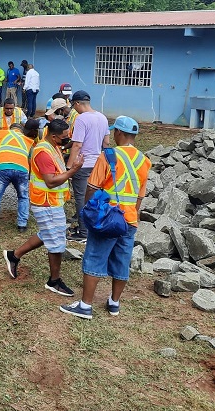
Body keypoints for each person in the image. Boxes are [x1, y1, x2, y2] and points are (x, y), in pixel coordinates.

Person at [60, 116, 152, 320]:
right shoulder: (144, 161)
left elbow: (91, 188)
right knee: (121, 260)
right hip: (129, 220)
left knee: (94, 257)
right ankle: (114, 303)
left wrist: (87, 212)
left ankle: (85, 306)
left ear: (119, 132)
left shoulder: (108, 155)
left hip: (107, 218)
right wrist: (132, 216)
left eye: (114, 132)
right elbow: (139, 196)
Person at [2, 119, 84, 296]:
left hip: (52, 202)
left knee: (48, 233)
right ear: (54, 137)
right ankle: (54, 281)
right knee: (56, 243)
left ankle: (14, 255)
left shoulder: (52, 146)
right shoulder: (43, 152)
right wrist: (74, 170)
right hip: (45, 202)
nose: (66, 140)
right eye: (64, 138)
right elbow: (51, 181)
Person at [67, 90, 110, 241]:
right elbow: (106, 143)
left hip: (83, 164)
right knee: (95, 197)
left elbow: (77, 145)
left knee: (81, 198)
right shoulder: (102, 117)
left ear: (77, 103)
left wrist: (69, 167)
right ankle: (94, 226)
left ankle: (83, 233)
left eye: (74, 105)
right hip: (99, 163)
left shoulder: (81, 119)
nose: (74, 108)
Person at [0, 98, 27, 179]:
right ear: (3, 107)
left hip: (14, 141)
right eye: (7, 108)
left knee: (14, 160)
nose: (9, 110)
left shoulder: (19, 112)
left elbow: (26, 125)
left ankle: (10, 177)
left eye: (11, 108)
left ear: (14, 107)